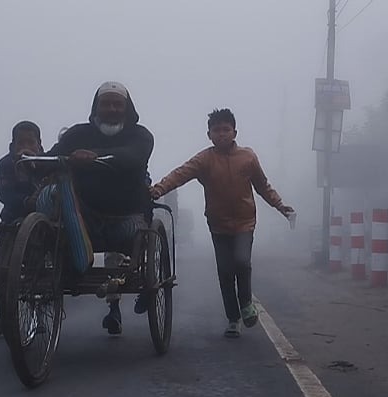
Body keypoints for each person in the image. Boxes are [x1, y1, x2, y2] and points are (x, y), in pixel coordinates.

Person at [150, 108, 294, 338]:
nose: (222, 134)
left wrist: (281, 206)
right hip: (218, 224)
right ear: (209, 135)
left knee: (242, 262)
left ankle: (246, 304)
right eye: (217, 130)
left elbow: (263, 186)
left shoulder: (248, 157)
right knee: (225, 271)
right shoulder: (204, 160)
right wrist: (158, 189)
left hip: (245, 222)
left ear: (235, 132)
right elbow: (180, 174)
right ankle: (233, 319)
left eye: (226, 129)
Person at [46, 81, 154, 335]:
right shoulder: (76, 135)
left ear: (127, 109)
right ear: (96, 107)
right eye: (106, 104)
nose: (112, 109)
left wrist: (94, 154)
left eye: (118, 104)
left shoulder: (140, 136)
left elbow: (133, 156)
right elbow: (53, 156)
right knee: (50, 200)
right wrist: (27, 162)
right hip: (85, 220)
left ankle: (134, 292)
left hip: (128, 218)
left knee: (135, 242)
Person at [0, 120, 44, 337]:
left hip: (43, 222)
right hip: (13, 220)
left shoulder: (47, 163)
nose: (25, 147)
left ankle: (38, 310)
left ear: (39, 146)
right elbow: (4, 194)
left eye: (31, 142)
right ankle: (5, 315)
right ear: (12, 146)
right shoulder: (5, 165)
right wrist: (26, 200)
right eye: (21, 143)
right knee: (3, 269)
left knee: (39, 267)